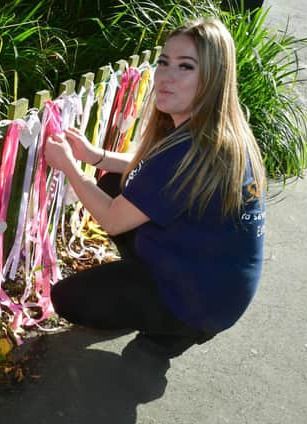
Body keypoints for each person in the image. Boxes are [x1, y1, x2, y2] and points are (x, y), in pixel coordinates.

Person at [44, 17, 267, 358]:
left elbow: (113, 220)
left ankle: (170, 330)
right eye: (164, 62)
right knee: (115, 182)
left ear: (214, 78)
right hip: (219, 283)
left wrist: (70, 167)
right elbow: (149, 169)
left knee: (66, 298)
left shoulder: (189, 151)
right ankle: (149, 296)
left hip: (201, 303)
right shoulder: (216, 132)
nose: (166, 76)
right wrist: (96, 156)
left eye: (186, 67)